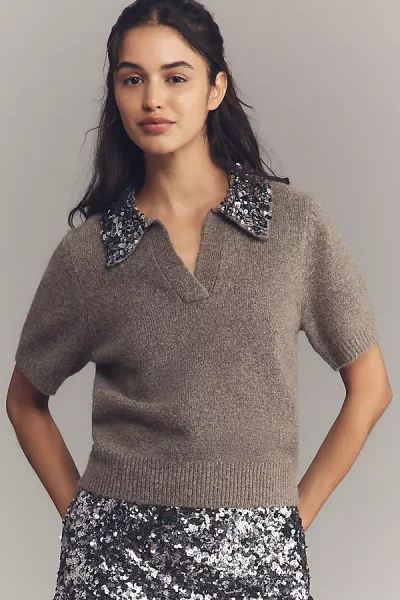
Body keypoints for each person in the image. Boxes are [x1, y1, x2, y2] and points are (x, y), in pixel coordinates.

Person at [6, 1, 392, 599]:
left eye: (176, 77)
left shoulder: (293, 228)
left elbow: (371, 387)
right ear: (116, 95)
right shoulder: (90, 254)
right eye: (132, 79)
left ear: (216, 89)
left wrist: (290, 522)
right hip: (114, 561)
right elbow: (25, 401)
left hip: (257, 554)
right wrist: (84, 525)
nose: (152, 99)